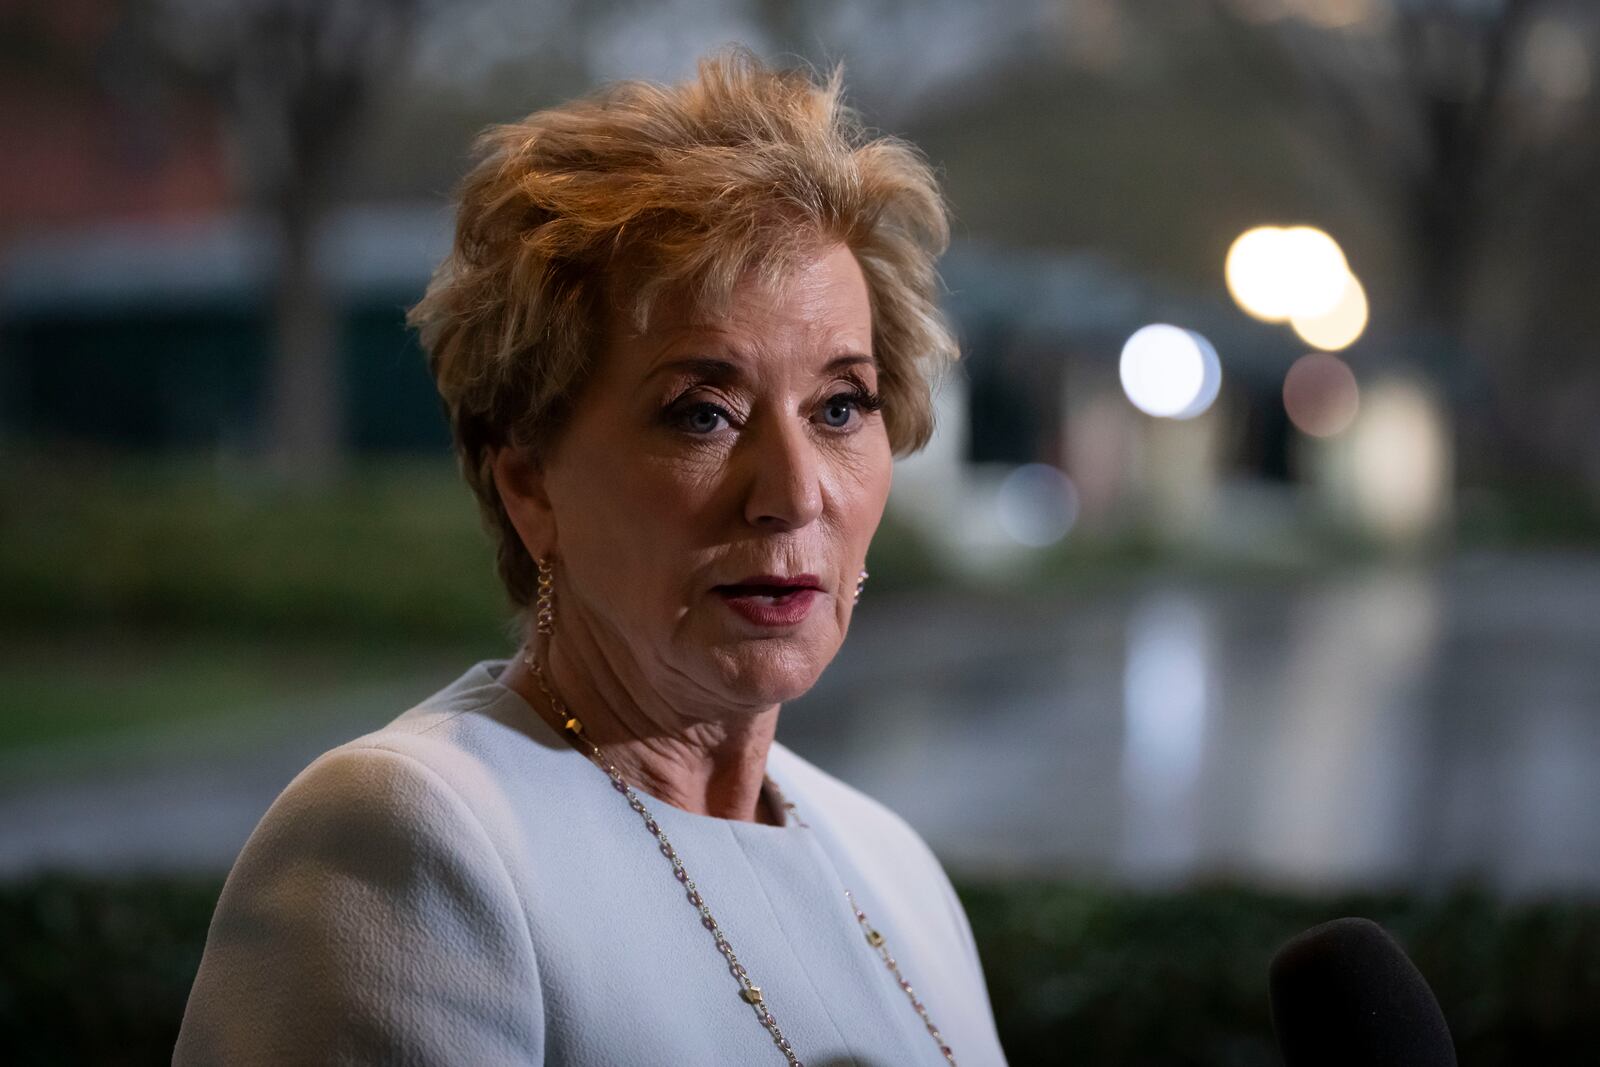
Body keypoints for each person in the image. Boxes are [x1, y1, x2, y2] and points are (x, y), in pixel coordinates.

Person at [174, 47, 1009, 1066]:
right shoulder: (413, 837)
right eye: (702, 413)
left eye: (840, 406)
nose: (795, 492)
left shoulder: (895, 868)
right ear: (527, 481)